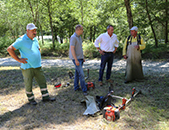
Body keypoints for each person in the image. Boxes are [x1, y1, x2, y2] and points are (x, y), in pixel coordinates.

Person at [7, 23, 56, 105]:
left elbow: (38, 48)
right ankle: (31, 100)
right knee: (28, 84)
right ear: (27, 31)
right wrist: (19, 59)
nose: (35, 32)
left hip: (37, 66)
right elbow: (10, 49)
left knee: (42, 82)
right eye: (33, 31)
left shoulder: (35, 39)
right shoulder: (21, 40)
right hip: (27, 67)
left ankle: (46, 97)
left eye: (35, 30)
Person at [69, 24, 88, 96]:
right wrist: (76, 60)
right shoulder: (73, 37)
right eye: (82, 29)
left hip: (80, 58)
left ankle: (76, 87)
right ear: (78, 30)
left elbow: (79, 48)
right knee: (81, 74)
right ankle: (84, 89)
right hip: (75, 59)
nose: (83, 31)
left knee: (77, 74)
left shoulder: (79, 37)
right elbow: (72, 49)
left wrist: (82, 57)